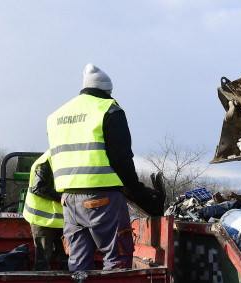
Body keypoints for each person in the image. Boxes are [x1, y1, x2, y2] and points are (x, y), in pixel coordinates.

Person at [46, 63, 164, 271]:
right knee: (117, 259)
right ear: (107, 90)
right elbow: (122, 159)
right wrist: (138, 192)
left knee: (78, 265)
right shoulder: (108, 110)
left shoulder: (57, 116)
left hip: (69, 202)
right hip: (103, 201)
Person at [23, 151, 68, 270]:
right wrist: (63, 197)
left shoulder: (65, 156)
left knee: (67, 258)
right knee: (43, 260)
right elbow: (39, 187)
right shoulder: (48, 160)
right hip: (42, 219)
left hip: (62, 219)